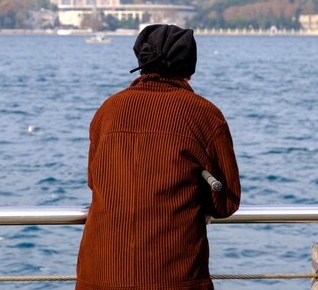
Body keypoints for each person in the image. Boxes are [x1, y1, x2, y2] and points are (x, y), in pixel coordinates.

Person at [76, 24, 241, 290]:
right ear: (190, 67)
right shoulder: (205, 116)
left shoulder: (108, 111)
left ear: (141, 61)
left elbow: (95, 182)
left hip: (99, 274)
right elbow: (226, 202)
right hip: (174, 277)